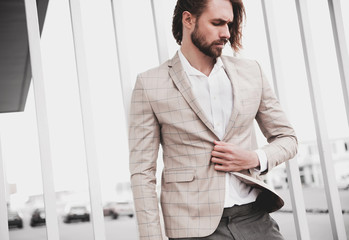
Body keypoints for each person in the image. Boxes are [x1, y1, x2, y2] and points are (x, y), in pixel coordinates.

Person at [128, 0, 297, 239]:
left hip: (256, 219)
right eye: (217, 23)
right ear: (188, 20)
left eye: (228, 24)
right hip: (192, 228)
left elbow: (287, 138)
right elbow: (142, 171)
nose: (226, 33)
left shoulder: (251, 72)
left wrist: (253, 158)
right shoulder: (149, 84)